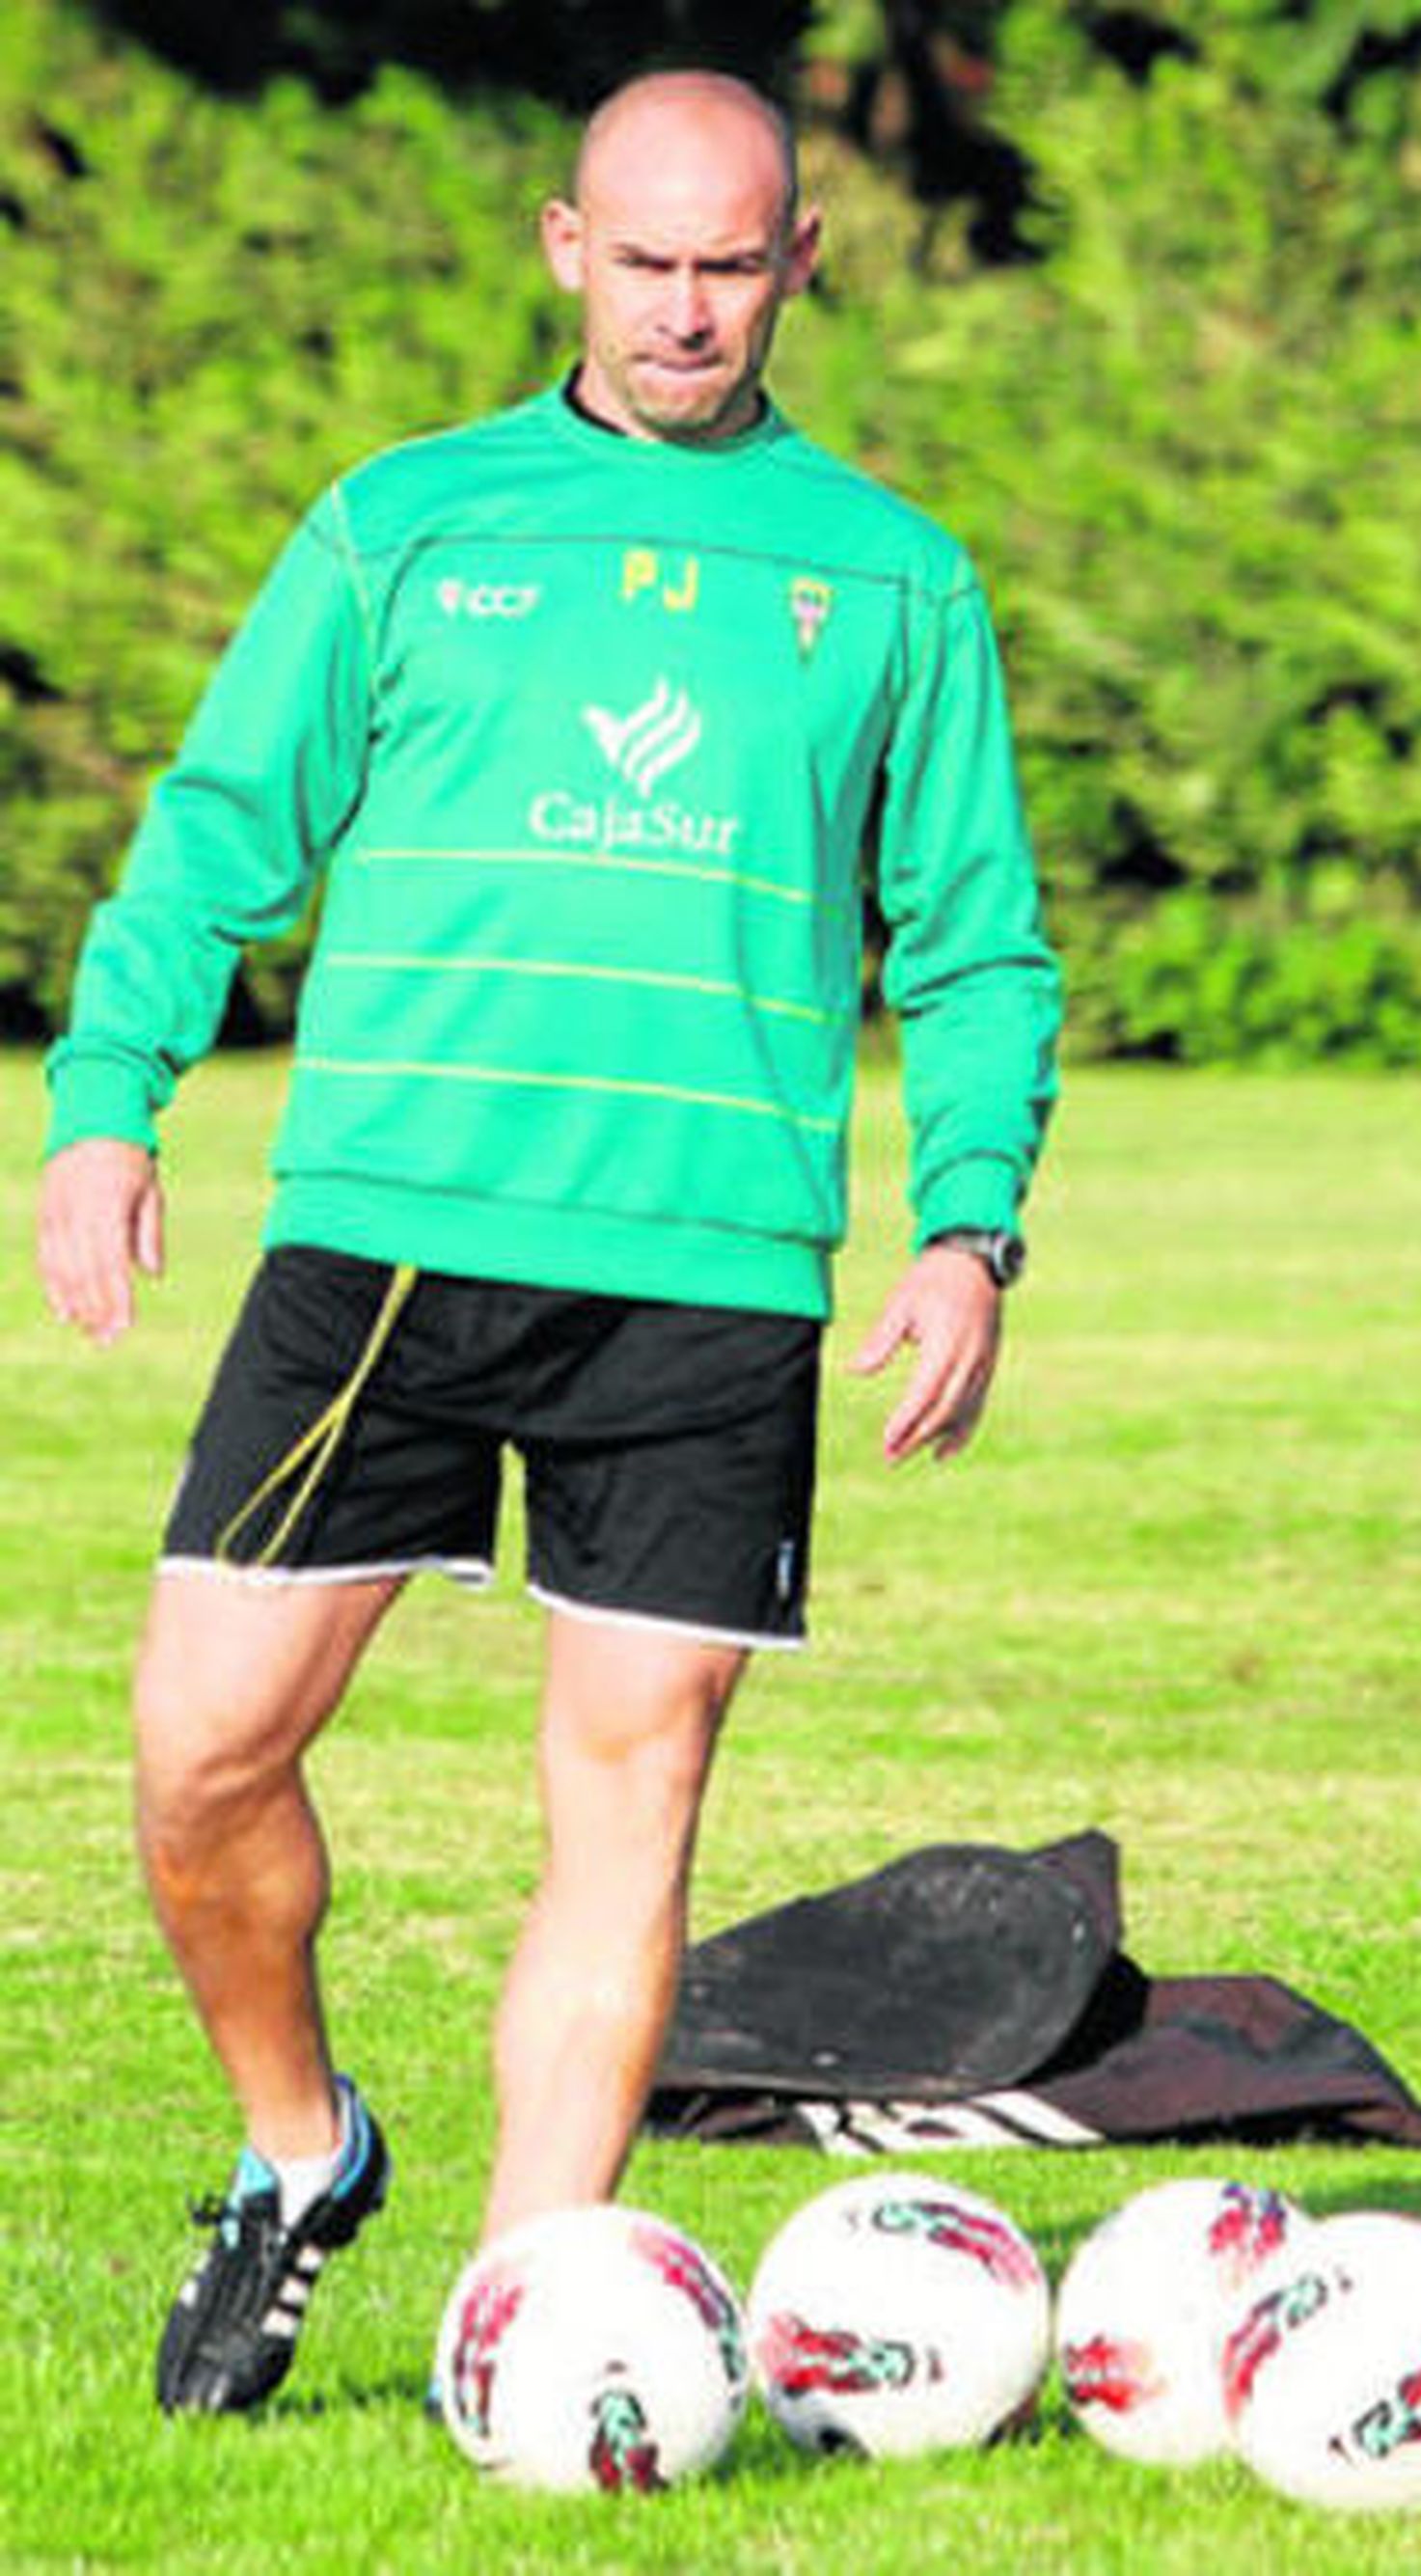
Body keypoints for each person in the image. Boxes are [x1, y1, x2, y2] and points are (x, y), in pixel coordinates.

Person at [37, 69, 1062, 2417]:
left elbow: (977, 943)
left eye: (730, 264)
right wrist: (109, 1104)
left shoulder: (889, 574)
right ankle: (301, 2153)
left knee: (631, 1795)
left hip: (704, 1269)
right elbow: (215, 831)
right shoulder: (403, 526)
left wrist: (968, 1225)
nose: (684, 309)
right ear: (560, 247)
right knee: (199, 1757)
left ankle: (523, 2341)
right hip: (390, 1235)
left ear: (797, 263)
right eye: (644, 259)